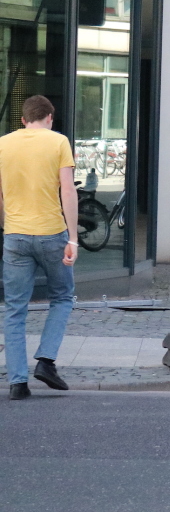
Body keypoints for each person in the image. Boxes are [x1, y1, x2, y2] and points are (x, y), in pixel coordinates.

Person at [0, 95, 78, 400]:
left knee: (14, 309)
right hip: (51, 234)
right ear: (49, 117)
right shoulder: (58, 142)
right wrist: (72, 238)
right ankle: (46, 361)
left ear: (23, 119)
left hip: (15, 236)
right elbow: (68, 191)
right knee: (62, 296)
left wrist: (7, 227)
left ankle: (18, 383)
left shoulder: (3, 144)